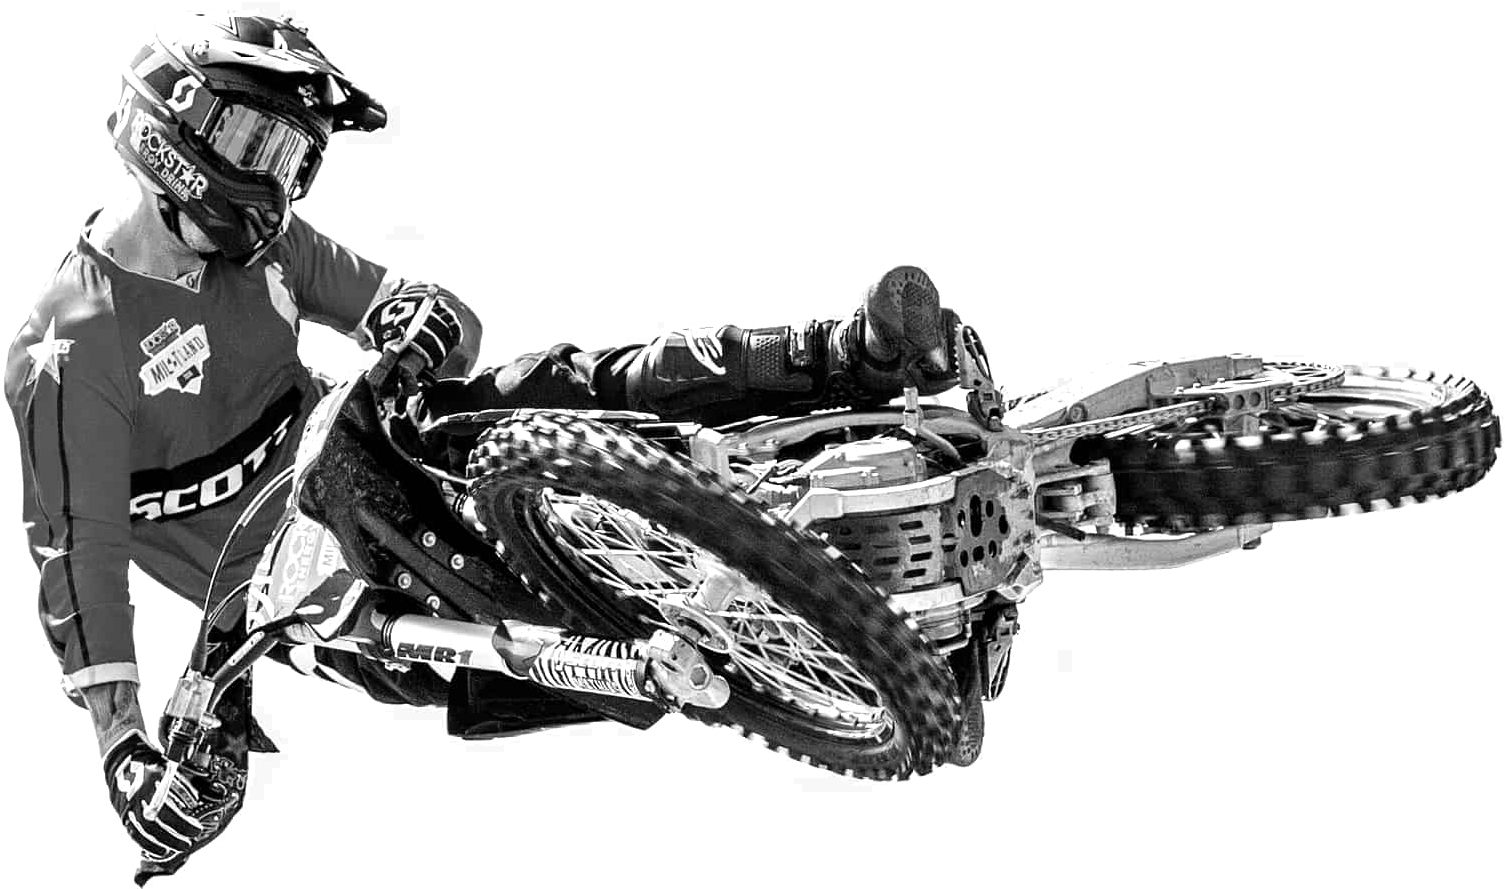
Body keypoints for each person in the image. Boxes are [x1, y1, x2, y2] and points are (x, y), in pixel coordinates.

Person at [5, 12, 964, 880]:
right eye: (262, 147)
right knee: (572, 664)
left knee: (548, 382)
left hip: (364, 448)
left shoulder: (271, 249)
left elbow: (418, 311)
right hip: (293, 585)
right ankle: (837, 657)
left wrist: (425, 320)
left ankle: (848, 354)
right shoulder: (74, 345)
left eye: (293, 158)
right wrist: (123, 746)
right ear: (179, 138)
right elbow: (77, 557)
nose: (280, 182)